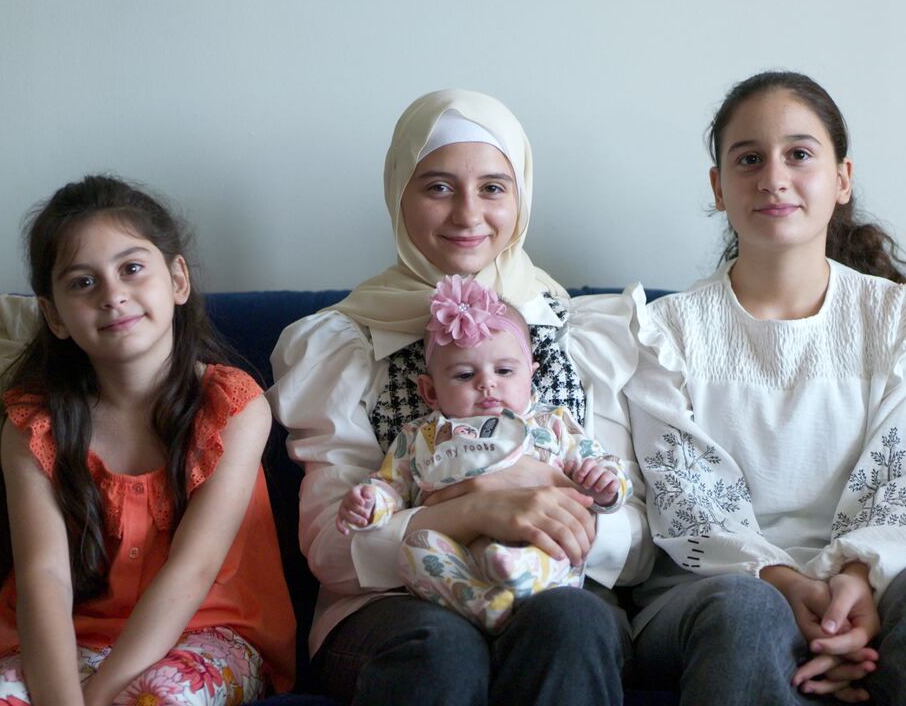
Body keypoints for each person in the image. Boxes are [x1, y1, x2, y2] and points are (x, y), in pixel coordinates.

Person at [625, 71, 906, 705]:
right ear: (718, 187)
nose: (774, 176)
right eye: (749, 159)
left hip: (882, 576)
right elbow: (690, 498)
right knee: (748, 611)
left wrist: (855, 585)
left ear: (842, 179)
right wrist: (787, 586)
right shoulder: (662, 333)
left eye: (799, 154)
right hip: (713, 592)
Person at [270, 89, 652, 705]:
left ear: (521, 196)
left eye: (494, 187)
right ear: (399, 193)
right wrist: (473, 509)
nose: (467, 214)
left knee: (570, 625)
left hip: (550, 586)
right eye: (439, 186)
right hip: (392, 607)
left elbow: (633, 547)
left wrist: (545, 515)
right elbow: (334, 556)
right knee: (441, 646)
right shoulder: (343, 344)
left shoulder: (584, 335)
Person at [0, 175, 296, 705]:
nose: (113, 295)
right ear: (54, 316)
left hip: (206, 633)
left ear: (178, 279)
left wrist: (100, 697)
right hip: (65, 641)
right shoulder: (34, 424)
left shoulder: (233, 405)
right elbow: (43, 576)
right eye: (82, 282)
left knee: (158, 698)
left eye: (132, 268)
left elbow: (194, 568)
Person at [336, 275, 632, 632]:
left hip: (537, 547)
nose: (487, 383)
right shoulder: (421, 436)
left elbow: (605, 468)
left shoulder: (552, 424)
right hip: (459, 558)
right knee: (415, 548)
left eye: (505, 371)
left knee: (555, 548)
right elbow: (390, 485)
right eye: (463, 375)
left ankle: (520, 572)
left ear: (531, 377)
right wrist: (370, 502)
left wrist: (603, 484)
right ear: (430, 392)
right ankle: (484, 605)